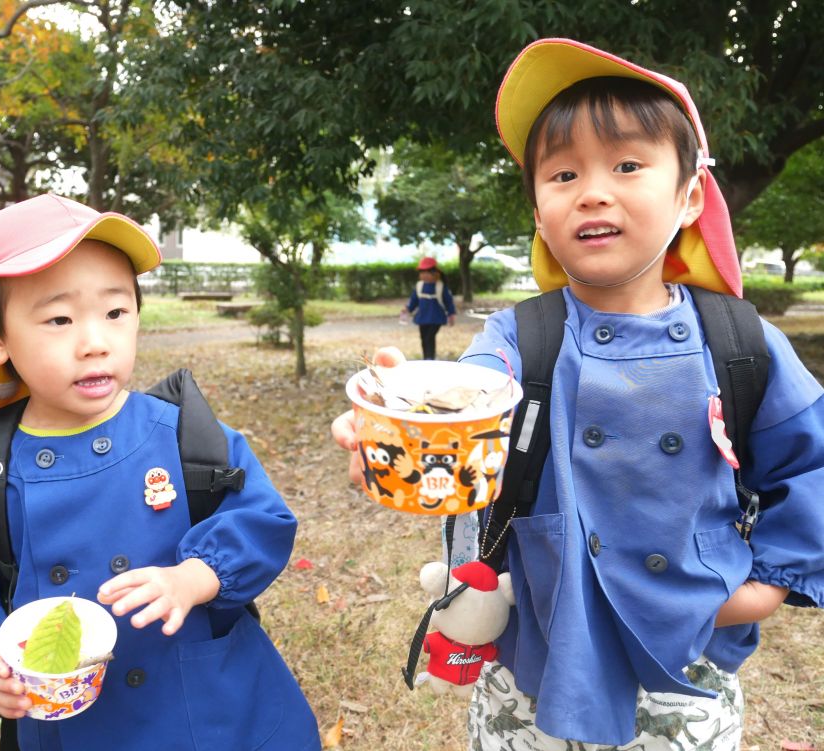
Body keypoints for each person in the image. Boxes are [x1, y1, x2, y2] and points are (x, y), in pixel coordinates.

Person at [333, 38, 824, 748]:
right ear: (538, 210)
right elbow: (466, 415)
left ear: (690, 195)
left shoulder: (739, 340)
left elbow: (808, 465)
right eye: (562, 173)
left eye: (627, 164)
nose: (592, 190)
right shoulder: (518, 338)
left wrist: (764, 586)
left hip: (684, 658)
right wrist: (397, 424)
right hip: (538, 655)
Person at [0, 194, 321, 751]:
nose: (94, 344)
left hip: (215, 714)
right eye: (59, 319)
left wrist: (194, 577)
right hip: (75, 730)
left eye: (116, 312)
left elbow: (261, 518)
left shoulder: (185, 438)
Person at [401, 256, 456, 359]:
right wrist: (408, 308)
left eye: (428, 272)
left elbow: (449, 302)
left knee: (430, 337)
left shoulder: (440, 286)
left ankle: (430, 357)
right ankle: (426, 357)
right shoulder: (419, 286)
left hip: (436, 318)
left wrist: (451, 314)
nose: (424, 275)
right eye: (422, 272)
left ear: (436, 273)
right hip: (422, 318)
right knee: (423, 338)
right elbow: (414, 300)